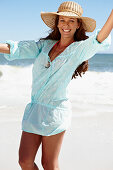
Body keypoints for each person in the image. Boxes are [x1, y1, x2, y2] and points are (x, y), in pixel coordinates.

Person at [0, 1, 113, 170]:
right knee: (24, 161)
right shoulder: (44, 46)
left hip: (55, 113)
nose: (66, 25)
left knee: (49, 164)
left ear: (78, 25)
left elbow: (99, 38)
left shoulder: (78, 50)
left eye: (71, 21)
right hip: (34, 110)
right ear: (57, 23)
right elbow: (16, 49)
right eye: (62, 20)